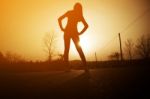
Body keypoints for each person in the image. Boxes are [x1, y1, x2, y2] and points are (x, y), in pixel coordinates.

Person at [58, 3, 89, 72]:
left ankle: (67, 68)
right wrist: (80, 33)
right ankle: (85, 67)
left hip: (68, 32)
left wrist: (62, 28)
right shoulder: (79, 15)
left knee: (67, 50)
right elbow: (86, 26)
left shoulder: (70, 13)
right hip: (73, 33)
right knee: (78, 49)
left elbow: (59, 19)